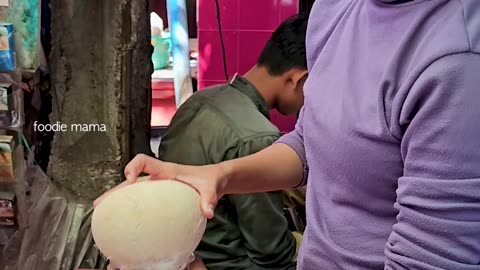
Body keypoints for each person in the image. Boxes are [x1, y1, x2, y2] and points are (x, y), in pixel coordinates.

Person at [97, 0, 480, 269]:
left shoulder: (458, 61)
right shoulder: (335, 10)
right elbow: (315, 142)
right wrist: (217, 175)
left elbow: (432, 257)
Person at [101, 14, 309, 270]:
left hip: (179, 252)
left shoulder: (198, 101)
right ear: (299, 79)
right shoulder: (258, 137)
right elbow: (271, 254)